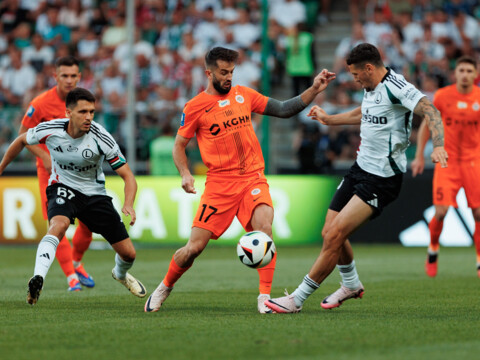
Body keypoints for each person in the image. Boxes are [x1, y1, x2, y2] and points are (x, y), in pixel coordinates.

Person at [144, 46, 335, 313]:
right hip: (219, 185)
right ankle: (165, 286)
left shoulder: (244, 95)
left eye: (232, 71)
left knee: (264, 231)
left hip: (252, 179)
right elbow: (179, 146)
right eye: (223, 72)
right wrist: (185, 174)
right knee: (193, 249)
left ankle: (264, 298)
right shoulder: (195, 107)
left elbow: (282, 109)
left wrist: (314, 88)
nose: (229, 77)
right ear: (208, 73)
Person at [265, 43, 448, 313]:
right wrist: (329, 120)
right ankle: (351, 284)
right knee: (329, 231)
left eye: (355, 74)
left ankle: (297, 299)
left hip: (382, 178)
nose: (354, 79)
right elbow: (363, 114)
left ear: (369, 68)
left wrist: (439, 145)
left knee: (335, 235)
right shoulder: (371, 87)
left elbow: (431, 111)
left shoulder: (397, 86)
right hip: (359, 169)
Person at [0, 88, 146, 305]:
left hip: (94, 195)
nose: (88, 117)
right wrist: (1, 167)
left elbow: (128, 175)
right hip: (63, 187)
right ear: (68, 113)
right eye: (82, 112)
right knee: (57, 226)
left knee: (129, 255)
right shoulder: (51, 129)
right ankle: (38, 277)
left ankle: (120, 275)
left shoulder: (101, 137)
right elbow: (22, 140)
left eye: (92, 112)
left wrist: (129, 204)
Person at [19, 55, 94, 292]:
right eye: (65, 76)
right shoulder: (40, 103)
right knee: (57, 224)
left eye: (74, 76)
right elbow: (23, 135)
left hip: (80, 172)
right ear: (56, 77)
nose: (70, 80)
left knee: (88, 224)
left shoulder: (83, 102)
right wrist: (43, 156)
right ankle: (72, 278)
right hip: (50, 174)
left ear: (79, 77)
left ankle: (75, 260)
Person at [411, 56, 480, 278]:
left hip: (473, 162)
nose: (465, 74)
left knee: (478, 213)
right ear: (455, 73)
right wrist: (419, 155)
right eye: (462, 70)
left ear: (475, 75)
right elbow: (428, 125)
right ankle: (433, 249)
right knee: (441, 212)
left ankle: (479, 261)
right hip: (447, 161)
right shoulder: (443, 96)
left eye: (470, 71)